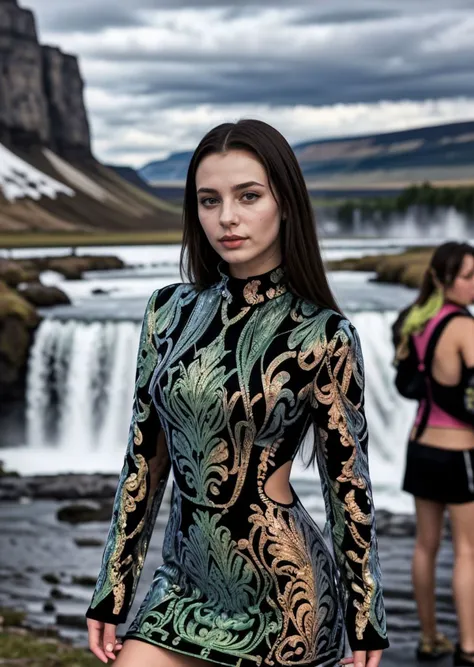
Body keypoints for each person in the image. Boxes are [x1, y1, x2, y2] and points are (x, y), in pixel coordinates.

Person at [86, 119, 389, 667]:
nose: (226, 217)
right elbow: (144, 461)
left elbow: (346, 484)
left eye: (248, 196)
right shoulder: (168, 313)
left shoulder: (323, 335)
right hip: (180, 586)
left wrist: (366, 620)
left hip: (285, 601)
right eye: (209, 200)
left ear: (286, 202)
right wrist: (114, 589)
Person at [393, 241, 474, 666]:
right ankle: (469, 648)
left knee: (425, 546)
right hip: (458, 451)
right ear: (444, 279)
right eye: (468, 277)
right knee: (467, 550)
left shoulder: (418, 321)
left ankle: (429, 639)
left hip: (419, 445)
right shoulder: (464, 326)